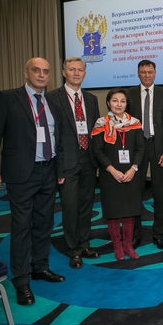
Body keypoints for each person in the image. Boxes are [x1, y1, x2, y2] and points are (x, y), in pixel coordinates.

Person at [0, 57, 65, 306]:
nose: (41, 75)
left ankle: (40, 266)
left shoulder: (52, 102)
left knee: (44, 223)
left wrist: (60, 168)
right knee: (21, 226)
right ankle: (21, 280)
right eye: (36, 70)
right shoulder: (8, 98)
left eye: (45, 71)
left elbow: (59, 138)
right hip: (21, 174)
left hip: (48, 170)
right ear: (26, 73)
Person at [46, 57, 100, 269]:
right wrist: (57, 167)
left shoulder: (91, 99)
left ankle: (84, 244)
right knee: (70, 207)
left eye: (80, 70)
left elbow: (95, 132)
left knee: (87, 205)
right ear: (63, 72)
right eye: (72, 69)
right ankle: (74, 249)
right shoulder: (52, 98)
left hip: (88, 160)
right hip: (66, 162)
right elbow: (52, 134)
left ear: (85, 73)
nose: (76, 73)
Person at [91, 88, 144, 260]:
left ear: (127, 104)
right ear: (108, 103)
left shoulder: (135, 123)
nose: (119, 104)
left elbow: (140, 148)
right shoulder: (101, 123)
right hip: (110, 174)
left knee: (129, 210)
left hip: (130, 174)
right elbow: (97, 150)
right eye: (115, 100)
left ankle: (128, 245)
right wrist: (112, 170)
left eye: (122, 101)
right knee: (113, 211)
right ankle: (117, 246)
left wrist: (133, 169)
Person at [127, 60, 163, 249]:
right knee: (135, 193)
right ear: (138, 73)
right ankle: (135, 234)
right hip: (137, 149)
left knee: (160, 193)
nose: (147, 75)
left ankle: (158, 234)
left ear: (155, 73)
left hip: (159, 148)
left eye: (150, 72)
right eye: (143, 72)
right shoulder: (129, 94)